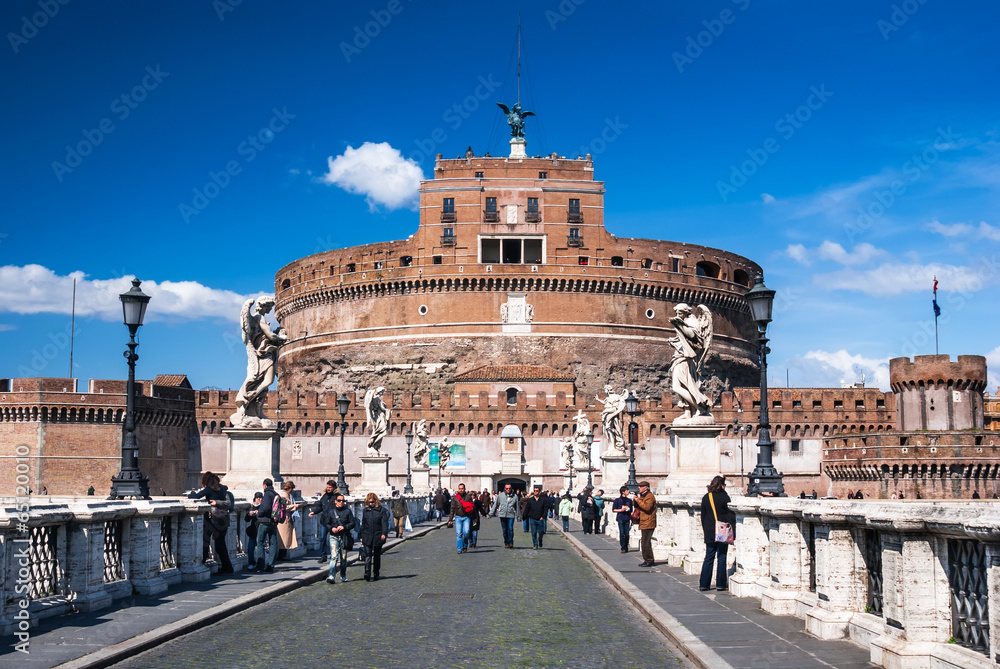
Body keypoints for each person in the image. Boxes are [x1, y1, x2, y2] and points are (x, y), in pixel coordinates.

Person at [188, 472, 234, 574]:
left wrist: (191, 494)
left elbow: (196, 496)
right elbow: (228, 503)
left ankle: (202, 564)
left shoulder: (209, 489)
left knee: (206, 541)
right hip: (224, 520)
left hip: (213, 519)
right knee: (220, 544)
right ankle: (228, 567)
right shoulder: (223, 489)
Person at [699, 476, 734, 591]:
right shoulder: (724, 497)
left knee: (709, 556)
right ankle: (720, 584)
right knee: (722, 556)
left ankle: (704, 584)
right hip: (722, 531)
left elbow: (703, 516)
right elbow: (730, 515)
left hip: (710, 531)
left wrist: (706, 530)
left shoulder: (706, 497)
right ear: (722, 485)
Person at [320, 493, 355, 583]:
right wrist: (332, 528)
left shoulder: (348, 511)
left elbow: (352, 523)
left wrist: (344, 527)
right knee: (334, 556)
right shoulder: (331, 511)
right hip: (333, 536)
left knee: (343, 558)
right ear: (335, 501)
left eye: (343, 501)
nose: (341, 502)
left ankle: (343, 575)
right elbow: (326, 523)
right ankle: (331, 575)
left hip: (344, 537)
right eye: (339, 500)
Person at [359, 493, 388, 581]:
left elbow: (384, 523)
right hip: (367, 535)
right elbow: (363, 524)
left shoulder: (381, 510)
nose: (370, 504)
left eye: (372, 502)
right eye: (369, 502)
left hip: (378, 535)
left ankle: (376, 572)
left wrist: (384, 533)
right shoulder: (365, 510)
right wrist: (360, 535)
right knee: (367, 555)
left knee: (376, 555)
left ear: (375, 501)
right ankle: (367, 572)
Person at [309, 480, 339, 563]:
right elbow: (320, 507)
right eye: (327, 487)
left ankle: (334, 554)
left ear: (334, 488)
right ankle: (323, 555)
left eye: (330, 487)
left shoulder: (337, 496)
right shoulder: (325, 496)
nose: (328, 489)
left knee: (334, 539)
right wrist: (314, 512)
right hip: (324, 521)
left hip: (334, 522)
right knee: (322, 538)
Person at [254, 478, 279, 572]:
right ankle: (271, 565)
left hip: (265, 521)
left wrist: (258, 513)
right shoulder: (275, 494)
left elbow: (265, 507)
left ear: (264, 485)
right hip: (273, 521)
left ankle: (260, 565)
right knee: (273, 543)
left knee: (260, 543)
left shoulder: (267, 494)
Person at [277, 481, 304, 560]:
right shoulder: (283, 496)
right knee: (284, 537)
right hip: (284, 518)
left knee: (286, 537)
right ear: (288, 488)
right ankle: (281, 555)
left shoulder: (288, 495)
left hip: (287, 518)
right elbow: (283, 507)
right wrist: (294, 506)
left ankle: (283, 554)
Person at [490, 483, 521, 549]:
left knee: (510, 529)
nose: (508, 490)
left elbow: (517, 507)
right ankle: (506, 542)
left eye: (509, 488)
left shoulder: (515, 496)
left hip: (511, 515)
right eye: (507, 488)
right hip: (502, 515)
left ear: (511, 488)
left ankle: (510, 542)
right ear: (504, 489)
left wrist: (519, 516)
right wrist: (490, 514)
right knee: (504, 530)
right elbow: (495, 505)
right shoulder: (500, 495)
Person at [634, 481, 657, 567]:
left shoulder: (650, 496)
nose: (639, 488)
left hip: (648, 522)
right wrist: (635, 500)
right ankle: (647, 559)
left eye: (640, 487)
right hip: (644, 521)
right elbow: (638, 506)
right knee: (644, 542)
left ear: (646, 487)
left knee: (645, 542)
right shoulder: (643, 496)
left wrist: (638, 500)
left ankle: (649, 560)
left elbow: (647, 507)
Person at [448, 483, 473, 553]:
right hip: (458, 517)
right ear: (458, 489)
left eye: (462, 488)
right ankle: (459, 548)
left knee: (466, 532)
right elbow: (452, 509)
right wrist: (450, 519)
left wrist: (474, 517)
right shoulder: (455, 498)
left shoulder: (468, 497)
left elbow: (472, 508)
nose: (461, 490)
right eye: (459, 489)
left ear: (464, 489)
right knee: (459, 533)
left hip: (466, 517)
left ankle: (465, 545)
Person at [611, 487, 634, 553]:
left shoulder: (629, 500)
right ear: (623, 492)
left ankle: (626, 546)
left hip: (627, 518)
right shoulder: (617, 500)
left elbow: (631, 511)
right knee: (622, 533)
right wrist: (621, 510)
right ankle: (623, 547)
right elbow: (614, 509)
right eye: (627, 490)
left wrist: (632, 520)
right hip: (620, 517)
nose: (628, 492)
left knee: (627, 533)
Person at [244, 492, 263, 570]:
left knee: (260, 547)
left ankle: (260, 564)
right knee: (250, 548)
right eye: (257, 497)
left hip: (262, 529)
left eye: (260, 497)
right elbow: (246, 519)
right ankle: (251, 563)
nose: (258, 499)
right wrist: (250, 514)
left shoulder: (264, 507)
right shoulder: (252, 507)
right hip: (253, 530)